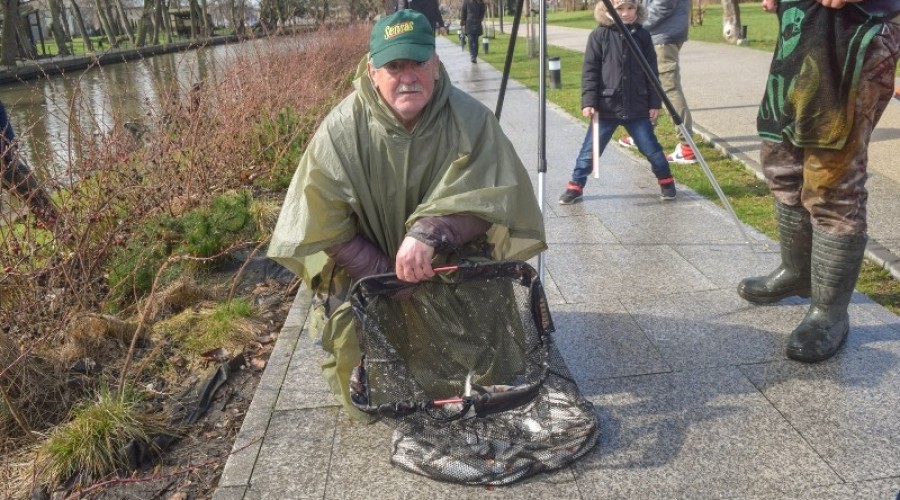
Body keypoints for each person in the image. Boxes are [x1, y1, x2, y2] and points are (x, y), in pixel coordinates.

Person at [268, 9, 546, 420]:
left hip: (449, 259)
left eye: (418, 62)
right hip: (371, 272)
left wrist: (433, 231)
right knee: (367, 391)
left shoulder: (472, 119)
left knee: (493, 373)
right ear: (372, 70)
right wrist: (385, 274)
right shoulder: (340, 130)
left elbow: (493, 203)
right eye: (394, 65)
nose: (408, 76)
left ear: (436, 64)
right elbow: (323, 224)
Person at [737, 0, 899, 363]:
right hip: (804, 26)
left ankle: (829, 314)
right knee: (782, 161)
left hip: (858, 27)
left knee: (832, 180)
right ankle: (796, 272)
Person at [558, 0, 677, 205]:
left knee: (652, 148)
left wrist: (654, 102)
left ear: (637, 10)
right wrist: (589, 101)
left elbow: (652, 72)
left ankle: (666, 181)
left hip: (637, 106)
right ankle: (576, 185)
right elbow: (590, 72)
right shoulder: (599, 35)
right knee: (589, 151)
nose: (625, 13)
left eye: (630, 8)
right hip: (606, 107)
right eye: (619, 8)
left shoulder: (643, 35)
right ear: (607, 10)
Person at [617, 0, 697, 164]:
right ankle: (643, 134)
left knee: (669, 89)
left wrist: (635, 23)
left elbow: (663, 5)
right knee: (650, 85)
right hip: (658, 35)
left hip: (662, 37)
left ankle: (687, 147)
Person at [0, 100, 58, 224]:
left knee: (39, 200)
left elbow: (6, 127)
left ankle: (67, 236)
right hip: (7, 160)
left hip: (7, 163)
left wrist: (10, 146)